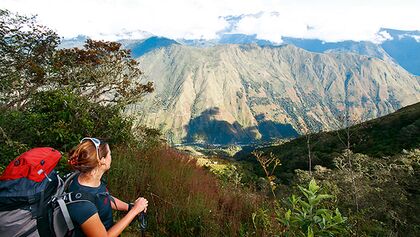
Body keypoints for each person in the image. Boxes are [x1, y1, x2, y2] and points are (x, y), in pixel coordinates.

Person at [67, 137, 148, 237]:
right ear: (102, 160)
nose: (111, 156)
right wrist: (134, 211)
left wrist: (129, 207)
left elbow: (104, 198)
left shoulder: (88, 178)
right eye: (110, 154)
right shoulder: (82, 205)